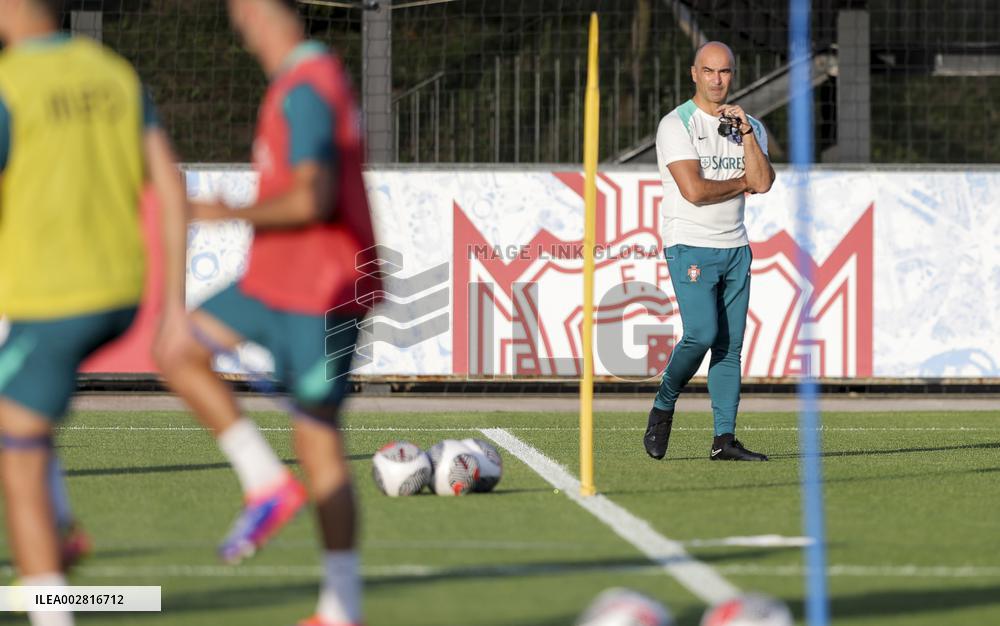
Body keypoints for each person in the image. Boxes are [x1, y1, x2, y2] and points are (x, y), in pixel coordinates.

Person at [155, 1, 380, 624]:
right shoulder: (298, 80)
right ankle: (265, 482)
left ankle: (341, 609)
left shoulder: (309, 84)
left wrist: (227, 212)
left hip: (321, 289)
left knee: (319, 445)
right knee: (176, 348)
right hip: (274, 280)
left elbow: (314, 196)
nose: (238, 21)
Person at [0, 0, 189, 624]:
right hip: (119, 291)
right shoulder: (111, 72)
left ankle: (52, 596)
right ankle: (60, 531)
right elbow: (167, 184)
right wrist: (173, 307)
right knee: (21, 419)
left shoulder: (12, 83)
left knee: (16, 447)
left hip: (50, 295)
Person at [645, 41, 775, 463]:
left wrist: (748, 136)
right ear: (694, 73)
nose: (718, 80)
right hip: (690, 243)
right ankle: (664, 404)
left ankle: (724, 439)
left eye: (725, 72)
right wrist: (743, 182)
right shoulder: (676, 124)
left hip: (736, 246)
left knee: (730, 347)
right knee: (701, 334)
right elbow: (696, 191)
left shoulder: (748, 125)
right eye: (709, 71)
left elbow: (765, 182)